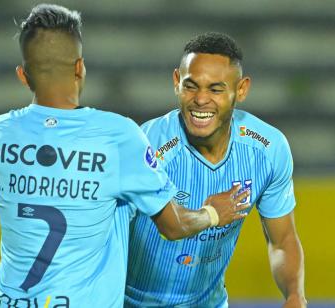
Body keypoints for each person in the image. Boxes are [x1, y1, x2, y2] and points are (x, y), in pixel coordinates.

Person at [0, 5, 249, 308]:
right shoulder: (118, 137)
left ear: (22, 75)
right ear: (79, 68)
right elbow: (173, 225)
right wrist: (212, 213)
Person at [125, 32, 306, 307]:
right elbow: (167, 227)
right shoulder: (147, 146)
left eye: (215, 89)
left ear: (241, 90)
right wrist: (211, 214)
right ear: (176, 82)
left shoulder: (268, 150)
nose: (200, 99)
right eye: (191, 86)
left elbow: (282, 241)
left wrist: (295, 295)